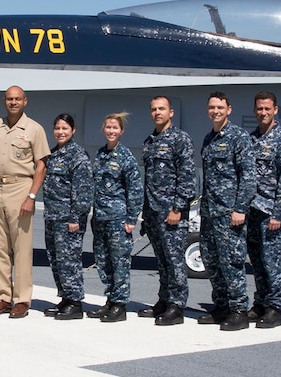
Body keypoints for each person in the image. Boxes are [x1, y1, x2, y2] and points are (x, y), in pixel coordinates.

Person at [0, 86, 50, 318]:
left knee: (21, 249)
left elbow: (41, 165)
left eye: (17, 99)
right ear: (4, 101)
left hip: (21, 189)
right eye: (10, 99)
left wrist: (31, 196)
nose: (13, 102)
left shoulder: (34, 129)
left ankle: (21, 300)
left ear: (25, 101)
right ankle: (3, 297)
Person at [198, 92, 256, 332]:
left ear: (229, 109)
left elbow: (249, 177)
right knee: (211, 260)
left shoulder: (239, 137)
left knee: (231, 261)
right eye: (212, 107)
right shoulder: (208, 139)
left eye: (220, 107)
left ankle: (239, 310)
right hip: (210, 212)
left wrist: (240, 209)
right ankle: (221, 306)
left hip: (229, 212)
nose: (215, 111)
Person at [245, 90, 281, 329]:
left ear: (275, 110)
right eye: (259, 108)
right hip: (252, 211)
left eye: (267, 108)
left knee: (272, 262)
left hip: (271, 214)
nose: (263, 112)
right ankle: (260, 302)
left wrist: (279, 213)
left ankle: (274, 307)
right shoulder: (251, 138)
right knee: (256, 261)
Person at [140, 95, 196, 326]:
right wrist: (145, 213)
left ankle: (176, 305)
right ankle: (163, 300)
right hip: (153, 212)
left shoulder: (180, 139)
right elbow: (149, 180)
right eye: (154, 109)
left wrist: (178, 208)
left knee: (174, 261)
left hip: (171, 212)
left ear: (171, 112)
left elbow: (187, 177)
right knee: (162, 260)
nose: (157, 113)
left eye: (161, 109)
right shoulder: (150, 140)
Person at [89, 112, 143, 322]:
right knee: (104, 262)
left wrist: (131, 219)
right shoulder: (101, 155)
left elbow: (135, 190)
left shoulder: (126, 157)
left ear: (122, 131)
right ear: (104, 129)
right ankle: (111, 299)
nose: (111, 131)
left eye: (115, 128)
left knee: (120, 263)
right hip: (100, 218)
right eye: (108, 127)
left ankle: (119, 305)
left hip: (118, 219)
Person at [40, 113, 94, 320]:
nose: (60, 132)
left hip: (68, 220)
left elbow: (82, 191)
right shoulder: (53, 154)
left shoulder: (77, 155)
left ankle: (75, 302)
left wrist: (75, 218)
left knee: (69, 260)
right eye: (57, 128)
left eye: (65, 128)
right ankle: (65, 297)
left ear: (73, 131)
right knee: (56, 260)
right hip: (52, 217)